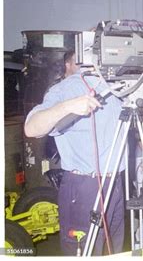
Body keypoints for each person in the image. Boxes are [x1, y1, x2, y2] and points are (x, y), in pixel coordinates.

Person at [24, 52, 127, 255]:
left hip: (115, 182)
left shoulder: (114, 87)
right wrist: (68, 106)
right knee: (83, 252)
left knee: (114, 250)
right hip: (84, 186)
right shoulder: (66, 88)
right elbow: (31, 128)